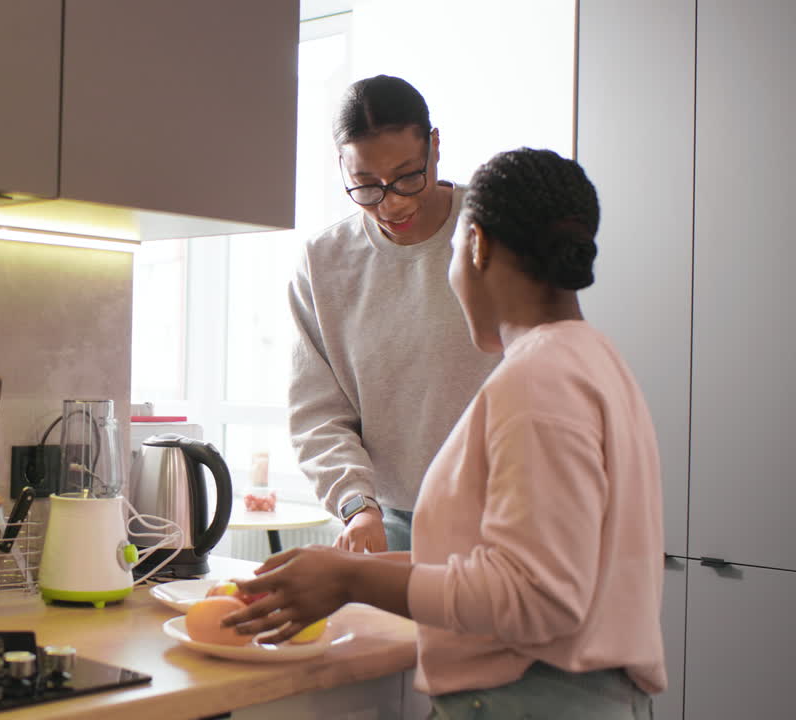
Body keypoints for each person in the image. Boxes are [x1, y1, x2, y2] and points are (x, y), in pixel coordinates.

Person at [227, 148, 666, 717]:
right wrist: (343, 571)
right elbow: (510, 567)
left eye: (454, 249)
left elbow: (535, 597)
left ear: (476, 245)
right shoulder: (592, 360)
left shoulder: (539, 378)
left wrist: (352, 584)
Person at [289, 75, 500, 553]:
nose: (393, 202)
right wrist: (356, 504)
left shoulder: (496, 230)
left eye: (408, 176)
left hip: (502, 514)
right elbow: (317, 413)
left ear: (435, 146)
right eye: (365, 186)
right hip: (387, 521)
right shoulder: (324, 263)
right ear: (341, 167)